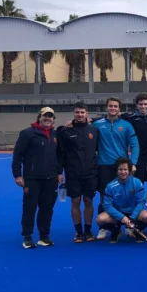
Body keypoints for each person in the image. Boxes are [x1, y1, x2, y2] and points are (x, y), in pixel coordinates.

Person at [12, 106, 62, 248]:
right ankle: (27, 237)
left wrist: (59, 173)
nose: (47, 118)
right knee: (30, 208)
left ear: (53, 119)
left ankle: (44, 236)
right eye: (45, 116)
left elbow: (59, 156)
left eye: (50, 116)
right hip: (32, 179)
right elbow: (17, 155)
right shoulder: (28, 134)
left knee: (47, 208)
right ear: (39, 117)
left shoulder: (55, 134)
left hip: (51, 179)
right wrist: (17, 175)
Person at [92, 97, 140, 224]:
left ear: (119, 109)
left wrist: (133, 163)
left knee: (127, 195)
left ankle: (130, 223)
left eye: (115, 106)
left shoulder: (126, 125)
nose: (113, 108)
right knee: (104, 196)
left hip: (122, 166)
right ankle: (105, 227)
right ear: (106, 107)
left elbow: (134, 145)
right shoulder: (96, 125)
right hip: (104, 165)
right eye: (110, 106)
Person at [57, 102, 99, 242]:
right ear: (73, 113)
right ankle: (78, 232)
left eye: (82, 112)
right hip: (73, 173)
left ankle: (88, 231)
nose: (80, 115)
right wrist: (59, 171)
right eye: (77, 112)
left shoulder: (94, 130)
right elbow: (60, 153)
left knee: (88, 200)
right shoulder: (65, 131)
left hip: (91, 172)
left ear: (87, 113)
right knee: (75, 201)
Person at [96, 157, 147, 243]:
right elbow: (107, 206)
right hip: (117, 214)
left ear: (129, 170)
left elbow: (141, 202)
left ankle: (136, 230)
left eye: (125, 169)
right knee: (100, 219)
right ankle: (116, 230)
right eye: (120, 169)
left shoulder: (137, 182)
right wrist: (122, 218)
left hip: (133, 213)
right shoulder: (110, 186)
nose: (123, 172)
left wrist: (132, 217)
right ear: (116, 171)